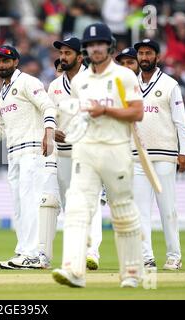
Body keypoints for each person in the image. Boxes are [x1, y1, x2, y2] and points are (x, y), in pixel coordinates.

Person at [52, 23, 144, 288]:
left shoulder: (124, 77)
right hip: (86, 151)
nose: (95, 49)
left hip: (115, 150)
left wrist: (107, 111)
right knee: (77, 209)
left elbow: (137, 112)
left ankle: (131, 271)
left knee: (122, 211)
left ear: (109, 47)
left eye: (99, 44)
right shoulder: (80, 81)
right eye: (91, 45)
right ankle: (74, 269)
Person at [0, 45, 56, 269]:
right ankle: (25, 252)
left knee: (29, 202)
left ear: (15, 62)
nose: (1, 65)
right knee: (20, 205)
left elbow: (48, 107)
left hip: (32, 151)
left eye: (5, 61)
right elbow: (2, 128)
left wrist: (48, 135)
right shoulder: (2, 91)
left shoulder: (28, 82)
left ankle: (31, 253)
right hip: (14, 154)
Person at [133, 38, 185, 271]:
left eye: (148, 53)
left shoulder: (169, 84)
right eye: (141, 54)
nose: (144, 57)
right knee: (140, 210)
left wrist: (183, 152)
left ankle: (174, 256)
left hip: (165, 154)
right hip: (137, 156)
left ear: (157, 57)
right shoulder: (129, 85)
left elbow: (180, 121)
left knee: (167, 208)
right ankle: (146, 257)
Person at [48, 37, 103, 270]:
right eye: (62, 53)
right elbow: (49, 115)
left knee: (91, 201)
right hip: (63, 153)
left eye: (68, 53)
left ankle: (92, 251)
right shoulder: (54, 86)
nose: (63, 57)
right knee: (70, 206)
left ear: (80, 57)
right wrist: (53, 132)